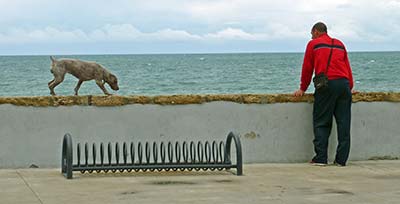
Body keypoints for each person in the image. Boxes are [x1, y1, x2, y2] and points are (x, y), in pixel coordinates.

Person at [293, 22, 355, 166]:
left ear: (315, 31)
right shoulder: (340, 44)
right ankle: (341, 160)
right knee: (344, 124)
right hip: (344, 85)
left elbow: (307, 67)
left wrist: (302, 88)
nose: (311, 36)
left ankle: (321, 158)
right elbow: (347, 67)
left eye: (311, 34)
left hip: (327, 85)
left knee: (321, 122)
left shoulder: (313, 44)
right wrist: (350, 87)